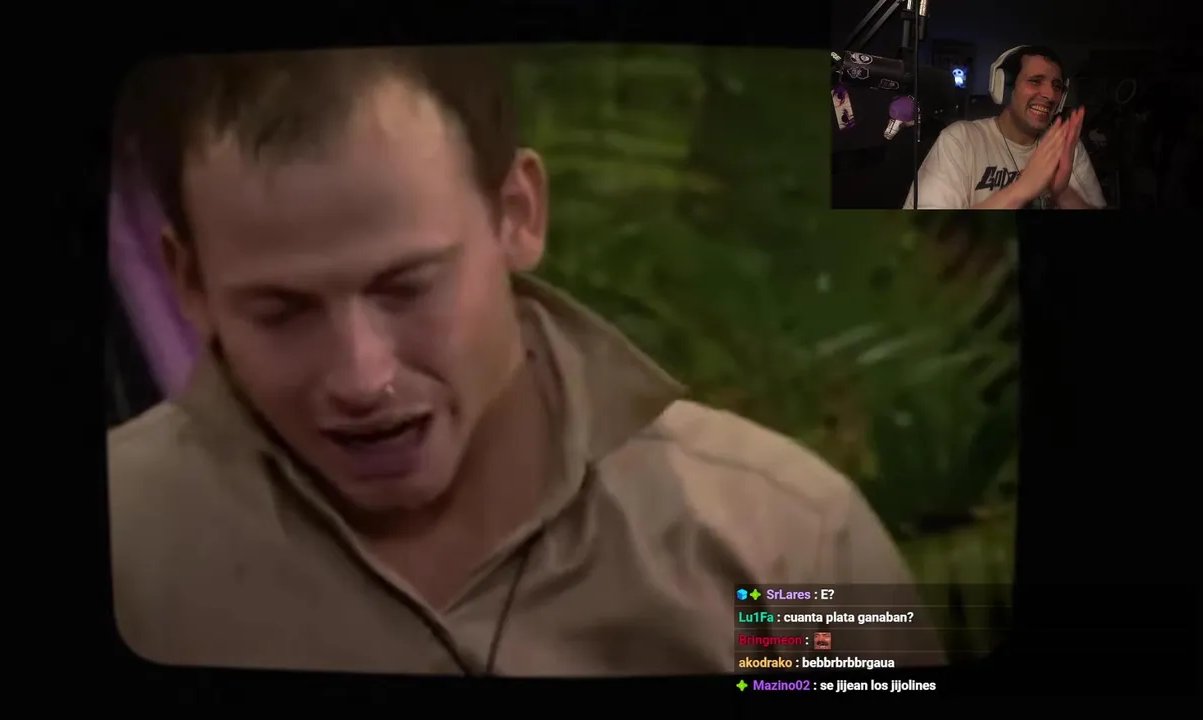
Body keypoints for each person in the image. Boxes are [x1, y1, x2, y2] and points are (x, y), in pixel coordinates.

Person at [108, 47, 942, 675]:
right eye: (282, 313)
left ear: (517, 213)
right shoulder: (128, 546)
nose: (363, 378)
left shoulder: (773, 544)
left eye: (406, 287)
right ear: (189, 284)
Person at [904, 45, 1106, 209]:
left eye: (1057, 86)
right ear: (1004, 87)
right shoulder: (961, 139)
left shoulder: (1067, 146)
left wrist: (1063, 194)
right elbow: (930, 233)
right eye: (1035, 81)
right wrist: (1021, 189)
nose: (1050, 95)